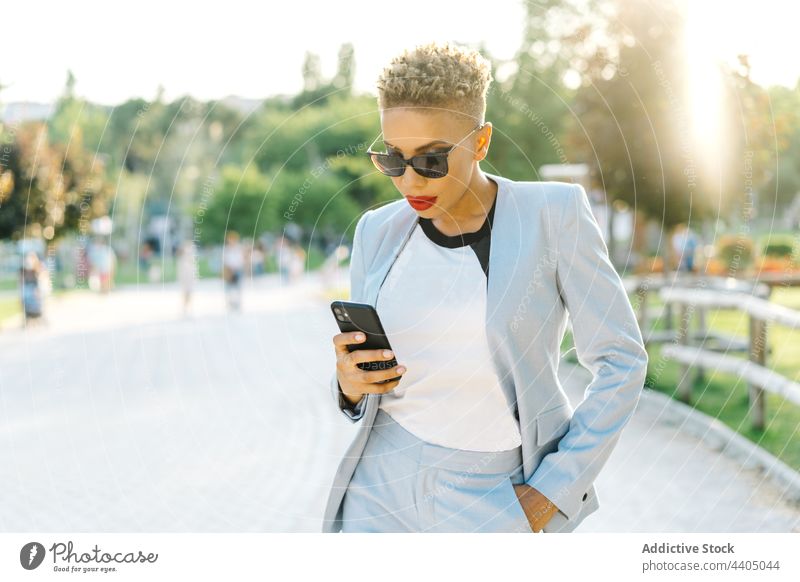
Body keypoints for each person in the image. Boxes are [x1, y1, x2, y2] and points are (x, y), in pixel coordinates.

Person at [322, 41, 649, 534]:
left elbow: (622, 361)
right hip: (379, 488)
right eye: (392, 158)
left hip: (489, 495)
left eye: (431, 160)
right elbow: (365, 376)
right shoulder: (376, 230)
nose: (409, 180)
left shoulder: (553, 217)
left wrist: (551, 492)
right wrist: (349, 386)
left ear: (480, 143)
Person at [222, 231, 244, 311]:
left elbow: (240, 260)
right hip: (228, 270)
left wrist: (235, 267)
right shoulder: (227, 249)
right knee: (228, 288)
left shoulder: (238, 249)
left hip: (237, 270)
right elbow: (225, 260)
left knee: (238, 288)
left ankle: (238, 303)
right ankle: (229, 303)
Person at [177, 240, 197, 314]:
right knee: (186, 292)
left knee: (189, 292)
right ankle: (185, 306)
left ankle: (187, 306)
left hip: (189, 277)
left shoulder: (189, 259)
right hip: (185, 277)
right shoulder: (182, 259)